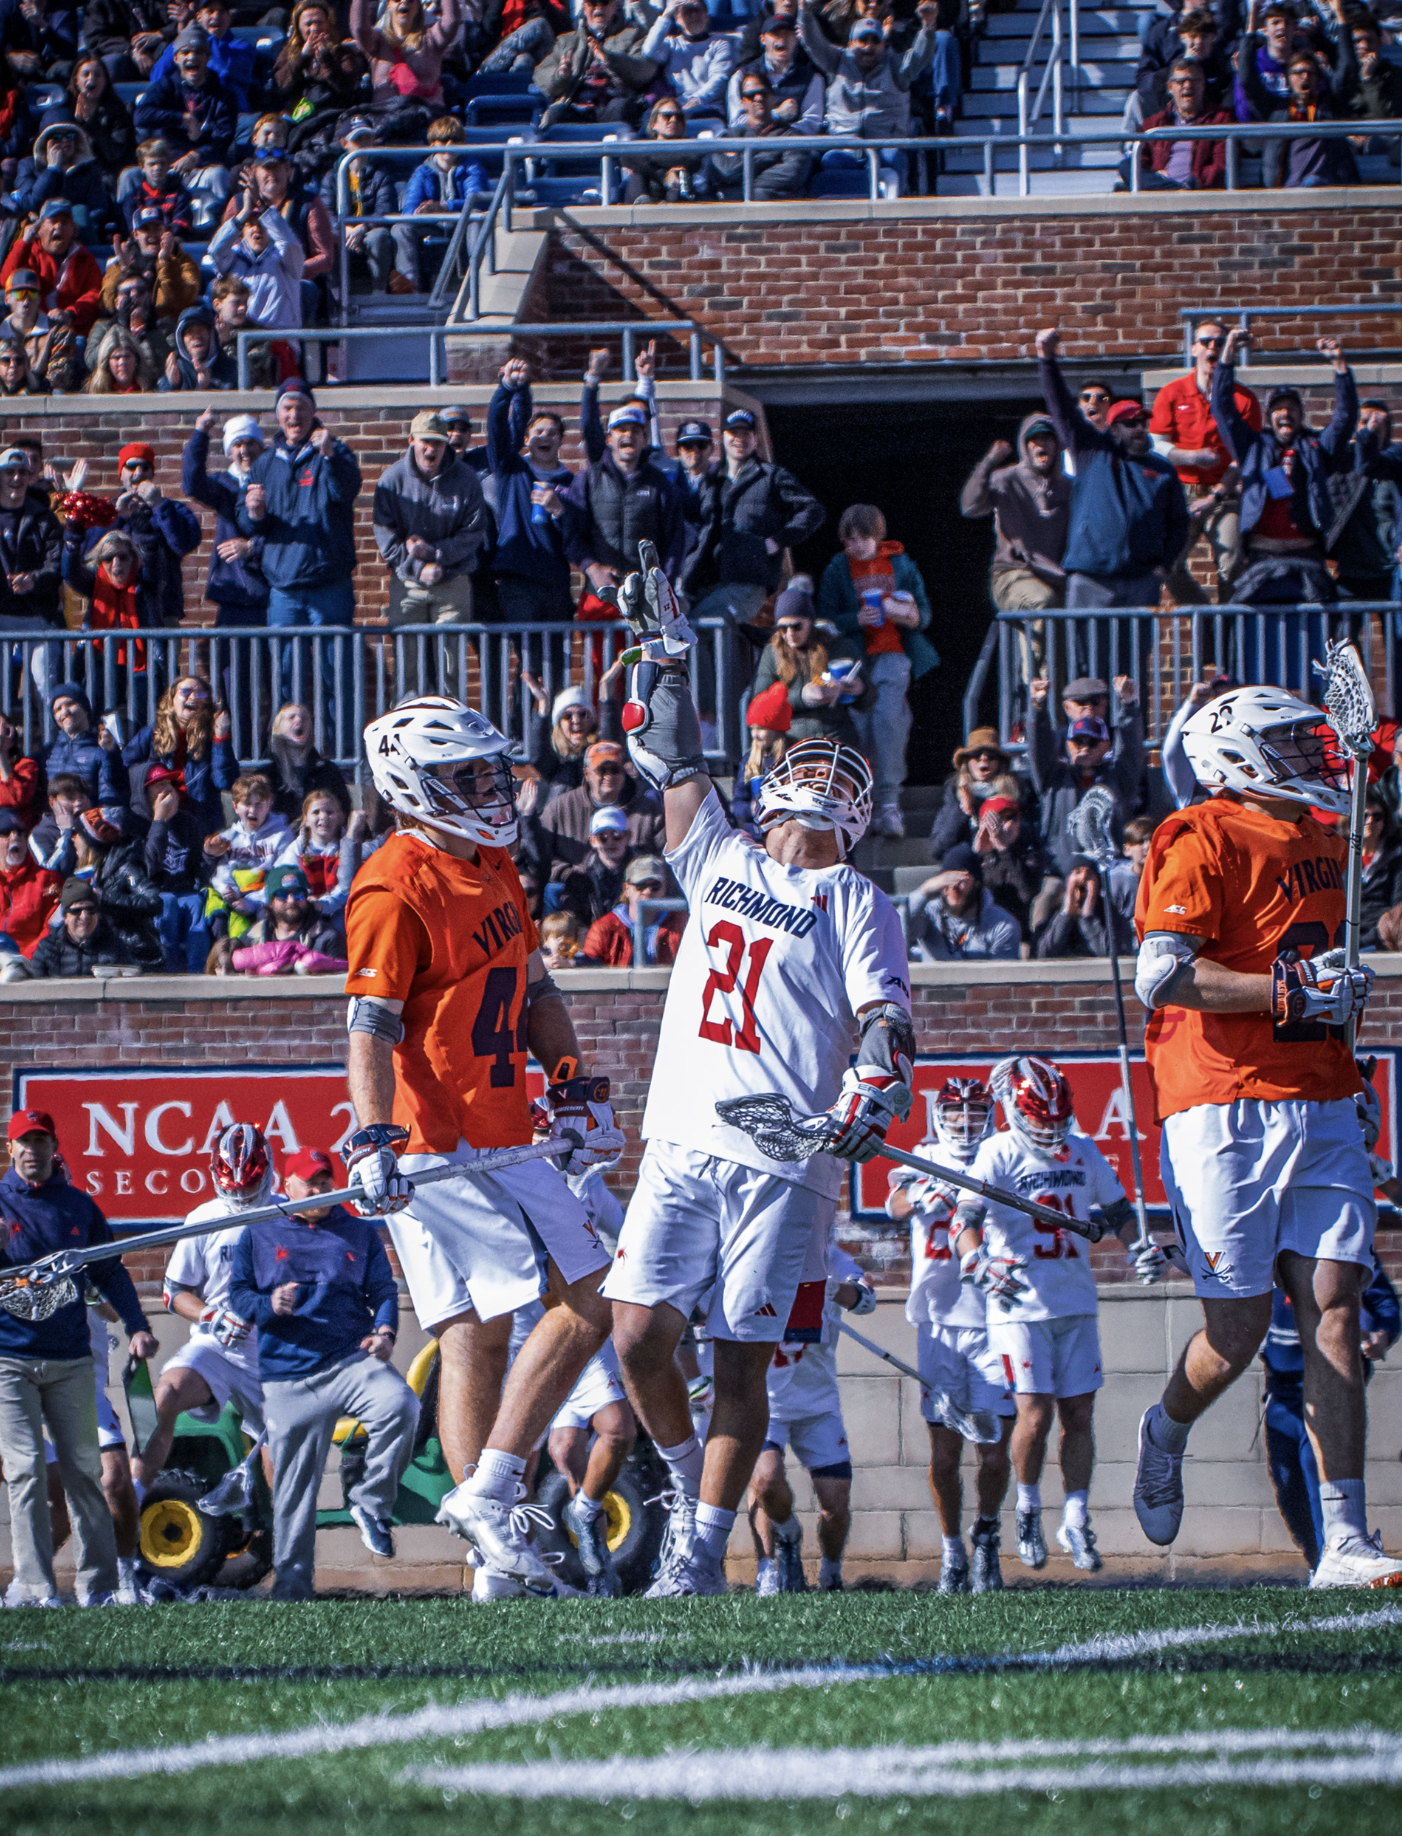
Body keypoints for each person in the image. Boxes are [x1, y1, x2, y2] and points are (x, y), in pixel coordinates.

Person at [603, 573, 915, 1598]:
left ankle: (699, 1550)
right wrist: (667, 659)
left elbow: (884, 1015)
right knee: (639, 1330)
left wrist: (876, 1082)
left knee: (740, 1361)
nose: (822, 777)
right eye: (807, 763)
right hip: (690, 1129)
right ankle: (693, 1487)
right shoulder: (719, 854)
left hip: (786, 1154)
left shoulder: (858, 897)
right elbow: (676, 751)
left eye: (841, 770)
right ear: (776, 782)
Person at [343, 695, 623, 1595]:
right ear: (412, 785)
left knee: (473, 1332)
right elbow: (371, 1029)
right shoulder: (393, 883)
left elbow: (535, 987)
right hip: (443, 1141)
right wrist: (374, 1136)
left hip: (506, 1128)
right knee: (592, 1294)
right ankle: (495, 1490)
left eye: (486, 770)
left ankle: (489, 1562)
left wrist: (569, 1080)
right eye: (465, 774)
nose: (488, 786)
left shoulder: (494, 860)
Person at [1131, 685, 1402, 1586]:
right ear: (1238, 755)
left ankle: (1346, 1539)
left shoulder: (1328, 837)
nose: (1312, 756)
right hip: (1220, 1098)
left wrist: (1344, 1052)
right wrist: (1290, 993)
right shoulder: (1197, 835)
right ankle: (1166, 1427)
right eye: (1288, 743)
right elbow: (1162, 978)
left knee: (1333, 1303)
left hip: (1318, 1092)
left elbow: (1318, 974)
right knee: (1239, 1329)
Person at [954, 1056, 1163, 1576]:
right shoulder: (997, 1152)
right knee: (1035, 1415)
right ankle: (1027, 1508)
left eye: (1055, 1118)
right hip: (1019, 1304)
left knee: (1078, 1417)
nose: (1048, 1128)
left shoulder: (1085, 1151)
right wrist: (975, 1259)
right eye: (1038, 1118)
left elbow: (1117, 1215)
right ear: (1014, 1110)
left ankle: (1075, 1516)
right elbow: (966, 1219)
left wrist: (1141, 1247)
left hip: (1075, 1300)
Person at [229, 1146, 419, 1598]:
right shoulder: (257, 1234)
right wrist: (267, 1306)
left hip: (349, 1360)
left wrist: (386, 1331)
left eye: (326, 1181)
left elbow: (383, 1290)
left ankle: (371, 1503)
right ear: (287, 1187)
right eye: (309, 1182)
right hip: (288, 1377)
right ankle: (293, 1588)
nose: (319, 1190)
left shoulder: (358, 1232)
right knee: (294, 1490)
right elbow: (237, 1295)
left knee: (401, 1404)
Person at [0, 1110, 156, 1609]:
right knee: (25, 1471)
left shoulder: (77, 1207)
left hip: (70, 1360)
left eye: (40, 1140)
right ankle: (35, 1588)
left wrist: (138, 1324)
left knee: (87, 1472)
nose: (31, 1150)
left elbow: (110, 1272)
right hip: (10, 1359)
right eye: (23, 1142)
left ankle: (101, 1587)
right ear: (10, 1150)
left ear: (52, 1147)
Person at [886, 1077, 1014, 1594]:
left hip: (994, 1321)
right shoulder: (923, 1154)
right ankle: (952, 1552)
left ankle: (986, 1538)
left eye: (974, 1113)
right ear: (941, 1117)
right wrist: (921, 1194)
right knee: (943, 1452)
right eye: (956, 1114)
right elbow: (894, 1203)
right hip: (939, 1323)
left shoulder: (1002, 1156)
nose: (964, 1122)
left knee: (994, 1449)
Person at [127, 1125, 271, 1492]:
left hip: (274, 1350)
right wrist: (212, 1315)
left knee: (282, 1449)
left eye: (249, 1186)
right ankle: (132, 1502)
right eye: (233, 1187)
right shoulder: (204, 1218)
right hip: (217, 1344)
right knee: (166, 1395)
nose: (241, 1196)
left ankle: (286, 1535)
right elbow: (174, 1293)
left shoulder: (288, 1212)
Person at [1210, 326, 1356, 632]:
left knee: (1324, 626)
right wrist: (1228, 354)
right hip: (1263, 557)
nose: (1285, 413)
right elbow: (1222, 409)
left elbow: (1344, 420)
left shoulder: (1316, 447)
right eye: (1278, 408)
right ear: (1269, 417)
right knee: (1246, 622)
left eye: (1292, 408)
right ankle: (1232, 675)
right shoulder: (1252, 447)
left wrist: (1340, 366)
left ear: (1301, 417)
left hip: (1308, 556)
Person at [1038, 328, 1190, 619]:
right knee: (1087, 660)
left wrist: (1164, 566)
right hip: (1091, 579)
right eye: (1130, 423)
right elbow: (1062, 409)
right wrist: (1047, 359)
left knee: (1133, 659)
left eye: (1142, 422)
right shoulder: (1091, 452)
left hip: (1142, 581)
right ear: (1113, 428)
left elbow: (1179, 525)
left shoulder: (1163, 470)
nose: (1138, 428)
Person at [1262, 1249, 1398, 1573]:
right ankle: (1316, 1559)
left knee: (1316, 1465)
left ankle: (1337, 1557)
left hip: (1329, 1384)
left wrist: (1380, 1336)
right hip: (1282, 1390)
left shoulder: (1345, 1246)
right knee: (1286, 1478)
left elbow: (1386, 1305)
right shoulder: (1265, 1241)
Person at [748, 1241, 873, 1594]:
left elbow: (867, 1300)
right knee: (766, 1480)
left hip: (817, 1403)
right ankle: (775, 1556)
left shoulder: (832, 1258)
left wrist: (830, 1288)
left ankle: (830, 1574)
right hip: (766, 1399)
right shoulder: (755, 1253)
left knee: (835, 1503)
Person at [237, 380, 362, 717]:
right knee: (286, 677)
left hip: (329, 586)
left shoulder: (335, 451)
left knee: (337, 675)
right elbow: (247, 522)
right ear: (278, 416)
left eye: (300, 408)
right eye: (287, 409)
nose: (294, 416)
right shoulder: (264, 463)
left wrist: (331, 455)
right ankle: (289, 759)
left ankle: (344, 757)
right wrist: (252, 510)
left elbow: (347, 489)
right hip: (284, 590)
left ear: (313, 412)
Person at [817, 503, 937, 841]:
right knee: (860, 728)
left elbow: (924, 614)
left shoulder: (900, 563)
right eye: (850, 539)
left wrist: (900, 611)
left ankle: (888, 803)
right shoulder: (837, 568)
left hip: (892, 654)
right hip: (853, 660)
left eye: (863, 538)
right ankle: (861, 803)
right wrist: (853, 620)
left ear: (877, 536)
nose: (856, 545)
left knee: (888, 723)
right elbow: (823, 620)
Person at [373, 410, 487, 697]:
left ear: (446, 443)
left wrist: (438, 556)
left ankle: (451, 726)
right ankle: (407, 725)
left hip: (453, 580)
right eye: (425, 441)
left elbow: (473, 533)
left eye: (437, 442)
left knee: (452, 664)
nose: (430, 449)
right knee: (406, 661)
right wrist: (416, 567)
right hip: (408, 583)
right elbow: (385, 535)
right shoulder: (392, 479)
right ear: (411, 440)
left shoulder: (466, 479)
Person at [1148, 318, 1260, 597]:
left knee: (1233, 565)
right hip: (1181, 491)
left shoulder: (1244, 399)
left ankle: (1227, 628)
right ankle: (1206, 619)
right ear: (1192, 348)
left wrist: (1216, 496)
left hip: (1225, 492)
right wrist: (1192, 456)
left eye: (1220, 343)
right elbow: (1157, 445)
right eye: (1206, 342)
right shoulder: (1172, 393)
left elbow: (1246, 456)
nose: (1213, 347)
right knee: (1167, 563)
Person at [687, 409, 825, 634]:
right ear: (722, 436)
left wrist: (777, 541)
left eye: (745, 433)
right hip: (708, 583)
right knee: (682, 627)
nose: (739, 439)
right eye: (733, 433)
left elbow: (812, 510)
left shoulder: (771, 476)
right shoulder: (712, 481)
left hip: (748, 585)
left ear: (756, 438)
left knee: (699, 624)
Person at [799, 0, 940, 197]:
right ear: (850, 43)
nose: (869, 46)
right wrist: (804, 12)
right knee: (829, 166)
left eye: (875, 40)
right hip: (844, 147)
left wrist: (928, 26)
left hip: (886, 146)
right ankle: (871, 191)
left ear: (884, 43)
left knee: (893, 163)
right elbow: (813, 42)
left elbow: (920, 56)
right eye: (862, 40)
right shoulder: (837, 62)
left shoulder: (896, 67)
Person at [959, 415, 1071, 636]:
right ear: (1024, 445)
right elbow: (969, 507)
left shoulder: (1069, 488)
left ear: (1058, 444)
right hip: (1012, 575)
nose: (1041, 444)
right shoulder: (1006, 479)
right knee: (1043, 602)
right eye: (1034, 439)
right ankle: (1040, 671)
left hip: (1055, 579)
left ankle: (1039, 671)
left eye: (1047, 438)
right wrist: (989, 461)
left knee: (1063, 616)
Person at [1028, 674, 1145, 878]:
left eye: (1092, 743)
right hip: (1061, 871)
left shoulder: (1117, 775)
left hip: (1111, 870)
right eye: (1077, 742)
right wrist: (1037, 708)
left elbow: (1131, 750)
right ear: (1067, 744)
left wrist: (1129, 705)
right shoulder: (1054, 777)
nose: (1084, 748)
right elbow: (1039, 749)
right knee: (1043, 903)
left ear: (1107, 745)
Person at [488, 362, 578, 628]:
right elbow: (497, 428)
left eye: (552, 432)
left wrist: (558, 510)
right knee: (528, 662)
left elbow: (576, 535)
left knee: (557, 662)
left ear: (561, 440)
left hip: (556, 581)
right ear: (526, 439)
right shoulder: (512, 469)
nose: (545, 437)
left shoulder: (572, 482)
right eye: (538, 432)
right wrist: (510, 387)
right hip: (517, 580)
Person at [566, 405, 685, 598]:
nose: (628, 435)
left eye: (636, 431)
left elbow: (674, 541)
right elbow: (571, 534)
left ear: (645, 440)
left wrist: (664, 582)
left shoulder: (660, 484)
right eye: (621, 429)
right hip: (600, 592)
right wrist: (592, 568)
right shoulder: (588, 480)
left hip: (646, 596)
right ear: (609, 439)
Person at [181, 410, 270, 653]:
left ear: (261, 446)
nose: (244, 451)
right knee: (235, 680)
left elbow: (289, 531)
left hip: (274, 591)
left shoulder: (277, 481)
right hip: (234, 592)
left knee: (278, 678)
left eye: (251, 443)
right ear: (229, 452)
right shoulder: (224, 486)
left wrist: (253, 547)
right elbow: (191, 483)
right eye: (237, 444)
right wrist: (200, 434)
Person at [133, 23, 237, 214]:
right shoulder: (165, 86)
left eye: (198, 52)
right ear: (176, 58)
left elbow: (223, 138)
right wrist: (182, 118)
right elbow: (140, 116)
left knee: (219, 174)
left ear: (207, 57)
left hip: (201, 167)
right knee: (128, 176)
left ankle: (215, 234)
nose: (192, 57)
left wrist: (195, 157)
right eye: (186, 52)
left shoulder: (223, 96)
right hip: (163, 166)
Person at [749, 589, 867, 750]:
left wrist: (860, 690)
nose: (790, 634)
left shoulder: (838, 646)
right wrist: (801, 696)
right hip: (792, 738)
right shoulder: (772, 653)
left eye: (796, 626)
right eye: (783, 628)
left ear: (810, 622)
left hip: (836, 735)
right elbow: (760, 702)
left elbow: (869, 702)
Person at [538, 740, 667, 878]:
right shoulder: (560, 807)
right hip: (575, 889)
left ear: (624, 772)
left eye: (615, 770)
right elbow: (540, 856)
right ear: (587, 773)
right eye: (601, 770)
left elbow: (666, 858)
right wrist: (570, 875)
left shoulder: (652, 812)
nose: (608, 776)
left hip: (634, 889)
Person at [534, 0, 660, 130]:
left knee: (621, 108)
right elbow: (540, 76)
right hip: (576, 106)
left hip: (614, 104)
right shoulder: (567, 40)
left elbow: (645, 71)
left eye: (604, 4)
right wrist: (559, 75)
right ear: (584, 8)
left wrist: (609, 59)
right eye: (592, 3)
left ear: (615, 6)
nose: (598, 9)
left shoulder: (635, 35)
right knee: (555, 114)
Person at [321, 117, 406, 299]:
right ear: (344, 143)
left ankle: (378, 293)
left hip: (367, 230)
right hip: (343, 230)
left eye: (368, 138)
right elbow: (325, 212)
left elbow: (385, 209)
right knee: (330, 238)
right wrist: (344, 229)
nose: (365, 143)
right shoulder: (332, 176)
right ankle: (336, 297)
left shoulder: (381, 174)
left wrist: (361, 229)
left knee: (379, 236)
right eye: (358, 139)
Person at [140, 762, 213, 971]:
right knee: (168, 903)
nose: (166, 790)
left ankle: (198, 973)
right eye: (157, 785)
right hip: (155, 892)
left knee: (197, 904)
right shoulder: (139, 823)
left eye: (168, 784)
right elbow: (148, 867)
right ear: (145, 794)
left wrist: (209, 855)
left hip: (186, 890)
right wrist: (159, 821)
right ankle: (168, 971)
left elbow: (200, 869)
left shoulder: (189, 822)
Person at [1120, 57, 1232, 190]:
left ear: (1203, 85)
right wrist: (1156, 177)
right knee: (1126, 166)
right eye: (1180, 81)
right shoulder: (1154, 123)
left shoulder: (1220, 120)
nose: (1187, 86)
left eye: (1194, 81)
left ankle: (1177, 190)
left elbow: (1222, 165)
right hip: (1162, 192)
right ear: (1170, 87)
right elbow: (1139, 161)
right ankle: (1174, 189)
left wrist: (1191, 184)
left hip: (1197, 192)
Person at [203, 770, 291, 935]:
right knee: (217, 919)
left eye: (259, 804)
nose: (253, 810)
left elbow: (281, 876)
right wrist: (227, 889)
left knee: (263, 923)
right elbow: (222, 871)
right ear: (235, 806)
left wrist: (252, 901)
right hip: (234, 896)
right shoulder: (229, 836)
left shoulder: (282, 836)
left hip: (264, 898)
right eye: (247, 804)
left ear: (269, 804)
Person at [0, 200, 104, 338]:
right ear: (40, 227)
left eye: (64, 222)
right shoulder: (28, 252)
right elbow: (6, 281)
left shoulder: (85, 259)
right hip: (31, 328)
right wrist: (24, 243)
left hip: (71, 330)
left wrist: (70, 313)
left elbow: (94, 293)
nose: (59, 226)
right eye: (53, 221)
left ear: (73, 229)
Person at [220, 862, 346, 974]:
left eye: (298, 895)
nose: (291, 901)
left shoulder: (326, 938)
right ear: (271, 901)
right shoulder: (252, 937)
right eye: (282, 894)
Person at [209, 185, 306, 330]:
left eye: (262, 224)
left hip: (280, 341)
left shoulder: (286, 259)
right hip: (241, 340)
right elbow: (215, 249)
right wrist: (244, 212)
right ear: (242, 231)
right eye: (250, 224)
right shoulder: (232, 258)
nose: (257, 228)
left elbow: (288, 243)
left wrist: (265, 210)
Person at [711, 71, 817, 200]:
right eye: (751, 95)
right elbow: (726, 171)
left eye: (764, 93)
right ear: (742, 103)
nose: (758, 98)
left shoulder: (793, 137)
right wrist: (770, 156)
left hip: (779, 212)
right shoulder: (729, 137)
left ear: (773, 97)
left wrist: (743, 185)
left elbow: (793, 173)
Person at [910, 843, 1022, 961]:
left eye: (959, 880)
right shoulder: (930, 913)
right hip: (932, 979)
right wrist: (924, 890)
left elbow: (1001, 975)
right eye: (945, 881)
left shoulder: (1001, 924)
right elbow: (897, 931)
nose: (952, 887)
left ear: (977, 884)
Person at [349, 0, 463, 117]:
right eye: (397, 0)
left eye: (411, 1)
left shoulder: (431, 38)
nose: (404, 2)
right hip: (385, 120)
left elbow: (452, 21)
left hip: (427, 119)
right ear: (388, 5)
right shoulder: (377, 43)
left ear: (418, 7)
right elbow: (359, 28)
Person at [30, 873, 155, 973]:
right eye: (76, 911)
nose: (84, 916)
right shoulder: (48, 948)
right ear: (65, 918)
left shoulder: (114, 947)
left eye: (91, 910)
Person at [726, 11, 826, 133]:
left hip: (793, 147)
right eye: (775, 34)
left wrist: (779, 134)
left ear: (796, 39)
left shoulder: (812, 79)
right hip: (752, 145)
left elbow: (812, 124)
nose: (782, 39)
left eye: (788, 34)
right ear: (763, 39)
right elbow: (736, 121)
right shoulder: (741, 76)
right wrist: (775, 115)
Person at [0, 444, 62, 637]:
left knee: (44, 667)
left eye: (22, 472)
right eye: (9, 472)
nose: (16, 478)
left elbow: (56, 563)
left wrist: (33, 580)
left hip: (37, 615)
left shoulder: (45, 518)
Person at [13, 123, 117, 238]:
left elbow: (98, 208)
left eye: (70, 135)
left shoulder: (89, 170)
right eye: (56, 137)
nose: (65, 140)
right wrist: (51, 170)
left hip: (79, 232)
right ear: (44, 142)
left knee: (80, 210)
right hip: (41, 230)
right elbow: (29, 203)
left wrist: (70, 225)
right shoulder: (28, 165)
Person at [581, 853, 686, 966]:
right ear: (627, 889)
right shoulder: (603, 927)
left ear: (664, 888)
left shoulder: (681, 923)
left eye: (655, 886)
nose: (647, 892)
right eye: (640, 885)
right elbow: (588, 967)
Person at [272, 791, 359, 924]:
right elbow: (288, 877)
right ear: (306, 819)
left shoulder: (347, 846)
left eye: (330, 812)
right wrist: (307, 899)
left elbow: (345, 888)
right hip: (305, 906)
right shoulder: (297, 847)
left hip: (340, 908)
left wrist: (323, 905)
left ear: (341, 817)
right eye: (316, 812)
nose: (323, 817)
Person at [41, 53, 136, 174]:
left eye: (98, 75)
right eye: (86, 74)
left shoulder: (118, 112)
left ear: (105, 80)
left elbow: (114, 153)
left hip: (104, 173)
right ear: (76, 80)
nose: (91, 80)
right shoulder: (64, 112)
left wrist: (92, 121)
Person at [642, 0, 735, 117]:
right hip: (674, 108)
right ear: (678, 20)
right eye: (687, 12)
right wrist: (666, 14)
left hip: (708, 106)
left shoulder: (720, 43)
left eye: (697, 10)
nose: (694, 15)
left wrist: (696, 100)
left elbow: (719, 78)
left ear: (707, 17)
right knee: (647, 121)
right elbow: (648, 51)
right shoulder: (672, 44)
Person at [1034, 853, 1137, 958]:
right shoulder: (1051, 912)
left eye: (1089, 876)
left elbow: (1113, 956)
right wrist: (1065, 915)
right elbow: (1042, 954)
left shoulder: (1112, 916)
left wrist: (1087, 915)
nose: (1083, 879)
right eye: (1077, 873)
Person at [266, 701, 351, 825]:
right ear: (279, 727)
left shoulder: (328, 770)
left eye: (305, 718)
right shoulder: (268, 775)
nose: (299, 720)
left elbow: (343, 810)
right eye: (291, 717)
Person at [42, 682, 125, 806]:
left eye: (70, 704)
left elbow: (109, 798)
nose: (65, 712)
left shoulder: (101, 752)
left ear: (85, 710)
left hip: (88, 821)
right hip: (54, 822)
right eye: (58, 709)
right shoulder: (46, 753)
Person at [618, 97, 713, 203]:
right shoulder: (642, 146)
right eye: (666, 116)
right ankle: (641, 206)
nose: (673, 120)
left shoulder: (691, 145)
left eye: (679, 117)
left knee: (678, 173)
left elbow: (693, 160)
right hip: (649, 194)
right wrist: (664, 175)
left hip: (675, 195)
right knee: (637, 175)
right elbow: (626, 157)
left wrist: (656, 163)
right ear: (654, 123)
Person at [3, 266, 81, 392]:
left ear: (39, 298)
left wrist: (26, 387)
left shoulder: (60, 332)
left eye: (32, 293)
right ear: (6, 298)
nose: (26, 301)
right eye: (20, 294)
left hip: (40, 399)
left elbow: (60, 376)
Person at [558, 804, 632, 929]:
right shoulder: (578, 877)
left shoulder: (643, 872)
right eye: (602, 836)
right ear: (592, 840)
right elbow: (574, 919)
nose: (610, 842)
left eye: (617, 834)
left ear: (628, 836)